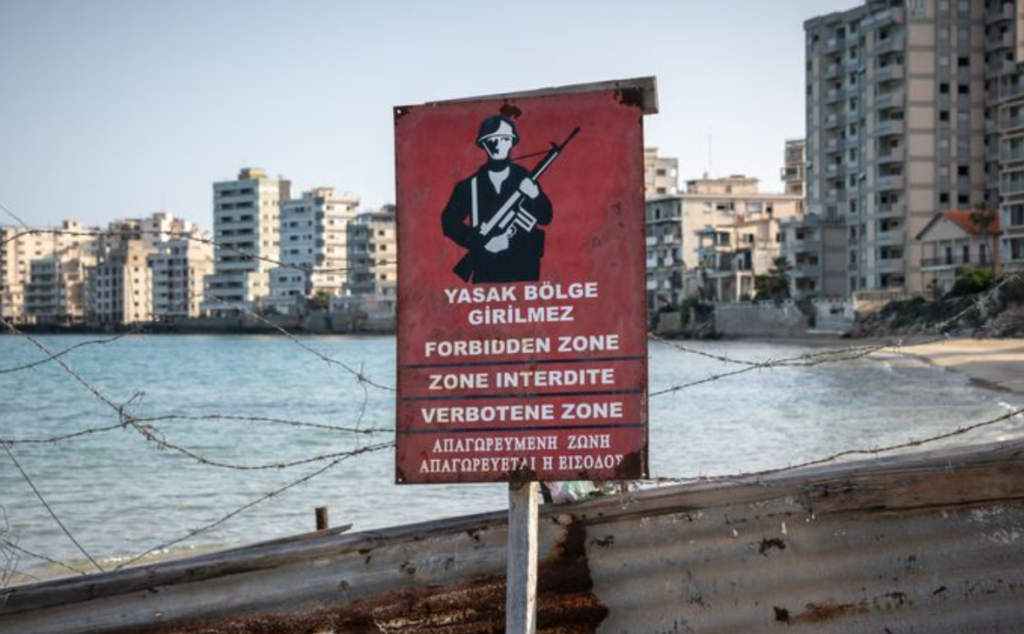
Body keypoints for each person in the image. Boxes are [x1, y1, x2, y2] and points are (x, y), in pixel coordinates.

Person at [441, 115, 553, 283]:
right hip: (487, 269)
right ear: (484, 144)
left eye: (505, 139)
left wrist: (535, 195)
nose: (498, 145)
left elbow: (546, 217)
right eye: (492, 140)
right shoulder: (469, 186)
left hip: (524, 269)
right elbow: (449, 223)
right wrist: (482, 243)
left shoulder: (525, 179)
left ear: (512, 142)